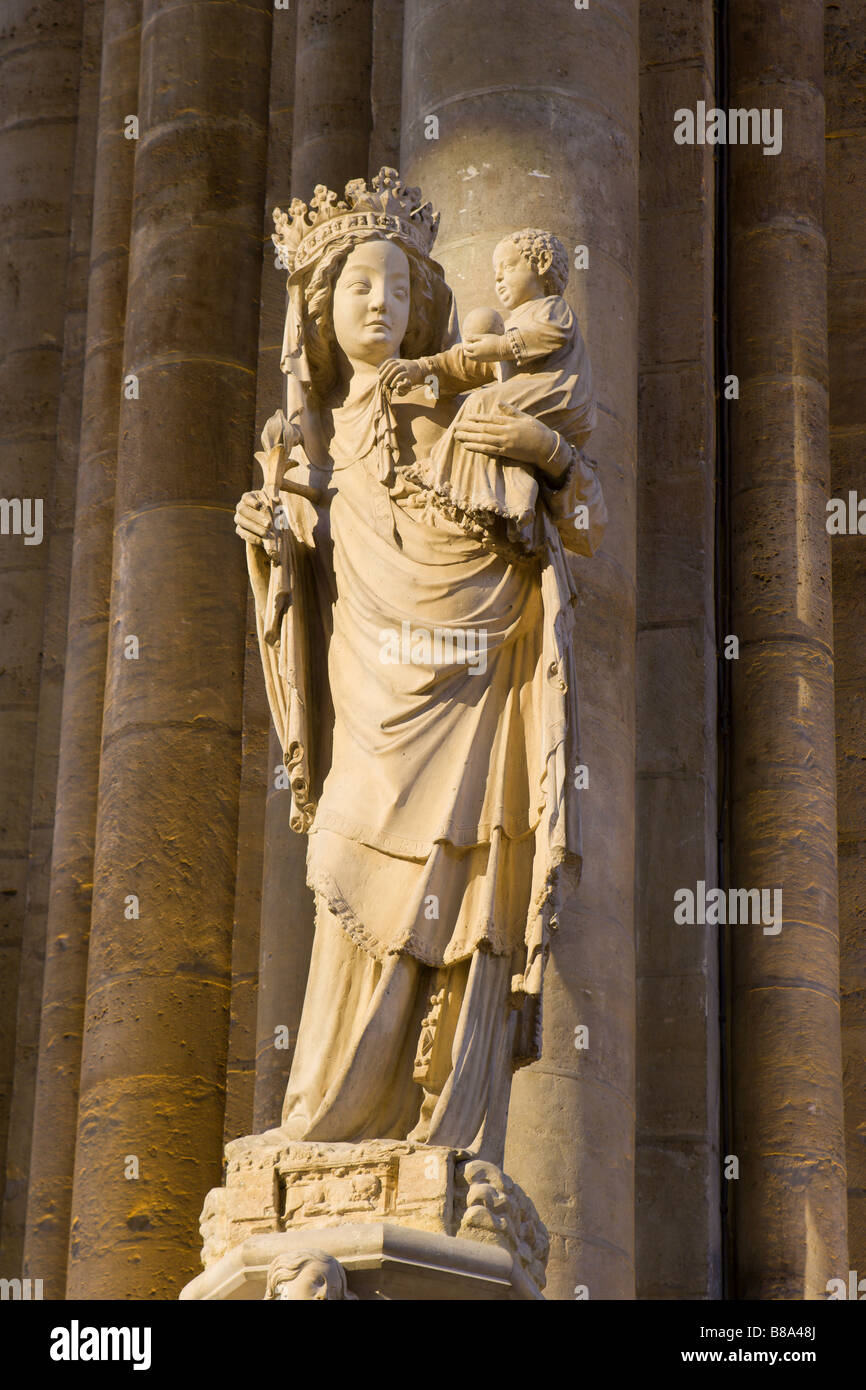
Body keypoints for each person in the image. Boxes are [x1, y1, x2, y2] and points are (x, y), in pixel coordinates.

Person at [234, 169, 606, 1160]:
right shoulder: (301, 442)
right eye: (359, 286)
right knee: (343, 862)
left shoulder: (444, 405)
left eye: (398, 289)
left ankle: (433, 1134)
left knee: (464, 879)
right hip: (369, 694)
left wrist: (549, 458)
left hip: (467, 671)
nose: (381, 305)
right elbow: (298, 579)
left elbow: (581, 520)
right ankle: (325, 1116)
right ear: (318, 309)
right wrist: (270, 541)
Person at [378, 229, 594, 558]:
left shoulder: (551, 309)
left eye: (507, 267)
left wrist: (500, 345)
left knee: (481, 403)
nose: (498, 279)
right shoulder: (513, 325)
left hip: (558, 391)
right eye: (495, 273)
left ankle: (444, 480)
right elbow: (467, 361)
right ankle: (481, 497)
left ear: (542, 263)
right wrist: (422, 369)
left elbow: (550, 336)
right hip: (529, 393)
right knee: (483, 408)